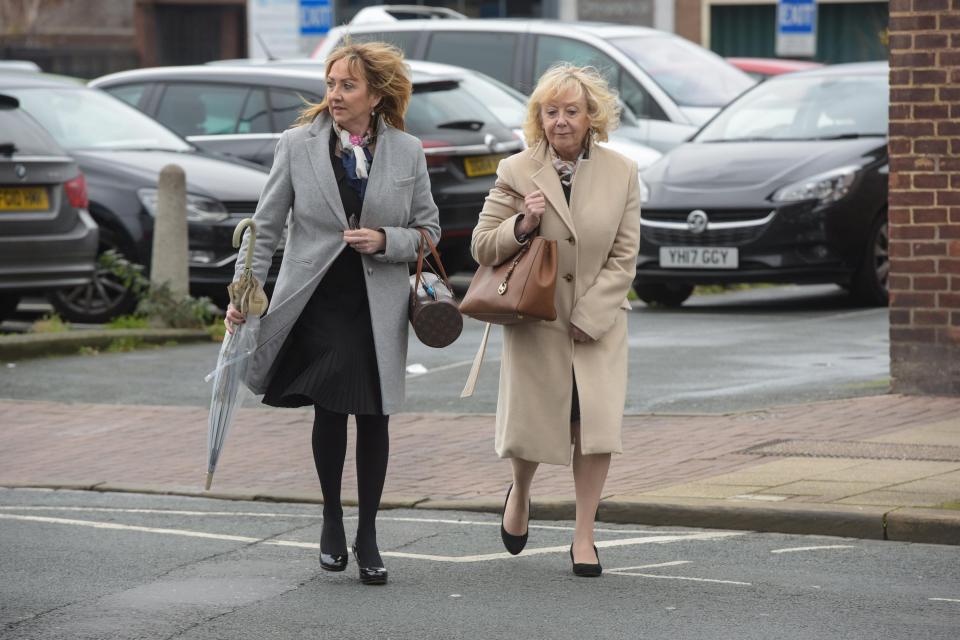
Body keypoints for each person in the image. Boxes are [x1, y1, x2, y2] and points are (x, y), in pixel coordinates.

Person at [225, 42, 440, 586]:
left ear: (377, 94)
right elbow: (267, 226)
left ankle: (367, 531)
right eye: (330, 84)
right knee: (330, 405)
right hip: (316, 299)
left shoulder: (408, 151)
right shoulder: (296, 145)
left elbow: (429, 233)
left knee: (374, 416)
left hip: (378, 305)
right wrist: (242, 293)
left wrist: (384, 239)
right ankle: (330, 516)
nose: (336, 95)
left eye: (348, 86)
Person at [470, 64, 641, 577]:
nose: (562, 121)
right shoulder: (516, 170)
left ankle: (584, 536)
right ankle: (520, 492)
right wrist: (522, 222)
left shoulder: (622, 171)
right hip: (536, 322)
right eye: (551, 112)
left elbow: (624, 256)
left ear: (592, 116)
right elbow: (482, 245)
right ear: (538, 118)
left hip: (598, 323)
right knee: (534, 427)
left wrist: (593, 314)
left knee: (594, 429)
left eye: (572, 111)